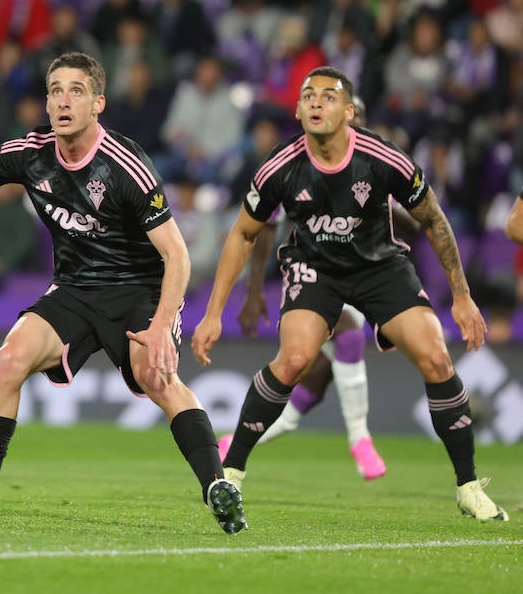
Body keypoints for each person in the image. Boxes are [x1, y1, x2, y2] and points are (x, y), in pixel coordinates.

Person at [0, 52, 245, 533]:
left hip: (138, 288)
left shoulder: (126, 166)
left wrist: (160, 328)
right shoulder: (29, 154)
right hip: (73, 288)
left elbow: (178, 255)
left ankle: (216, 484)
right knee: (9, 359)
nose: (63, 100)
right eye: (55, 90)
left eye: (76, 90)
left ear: (98, 103)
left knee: (154, 376)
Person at [193, 67, 508, 522]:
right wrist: (214, 313)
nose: (317, 103)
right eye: (308, 96)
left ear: (349, 111)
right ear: (298, 110)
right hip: (314, 267)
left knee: (437, 357)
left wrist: (461, 295)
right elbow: (244, 233)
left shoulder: (383, 158)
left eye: (329, 96)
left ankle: (468, 486)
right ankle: (232, 472)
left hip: (378, 266)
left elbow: (434, 219)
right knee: (296, 359)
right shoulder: (278, 166)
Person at [217, 97, 412, 480]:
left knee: (308, 393)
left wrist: (390, 199)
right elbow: (264, 227)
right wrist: (255, 291)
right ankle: (360, 438)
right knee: (350, 337)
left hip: (362, 277)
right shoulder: (297, 165)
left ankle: (231, 442)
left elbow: (414, 224)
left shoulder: (372, 164)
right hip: (314, 278)